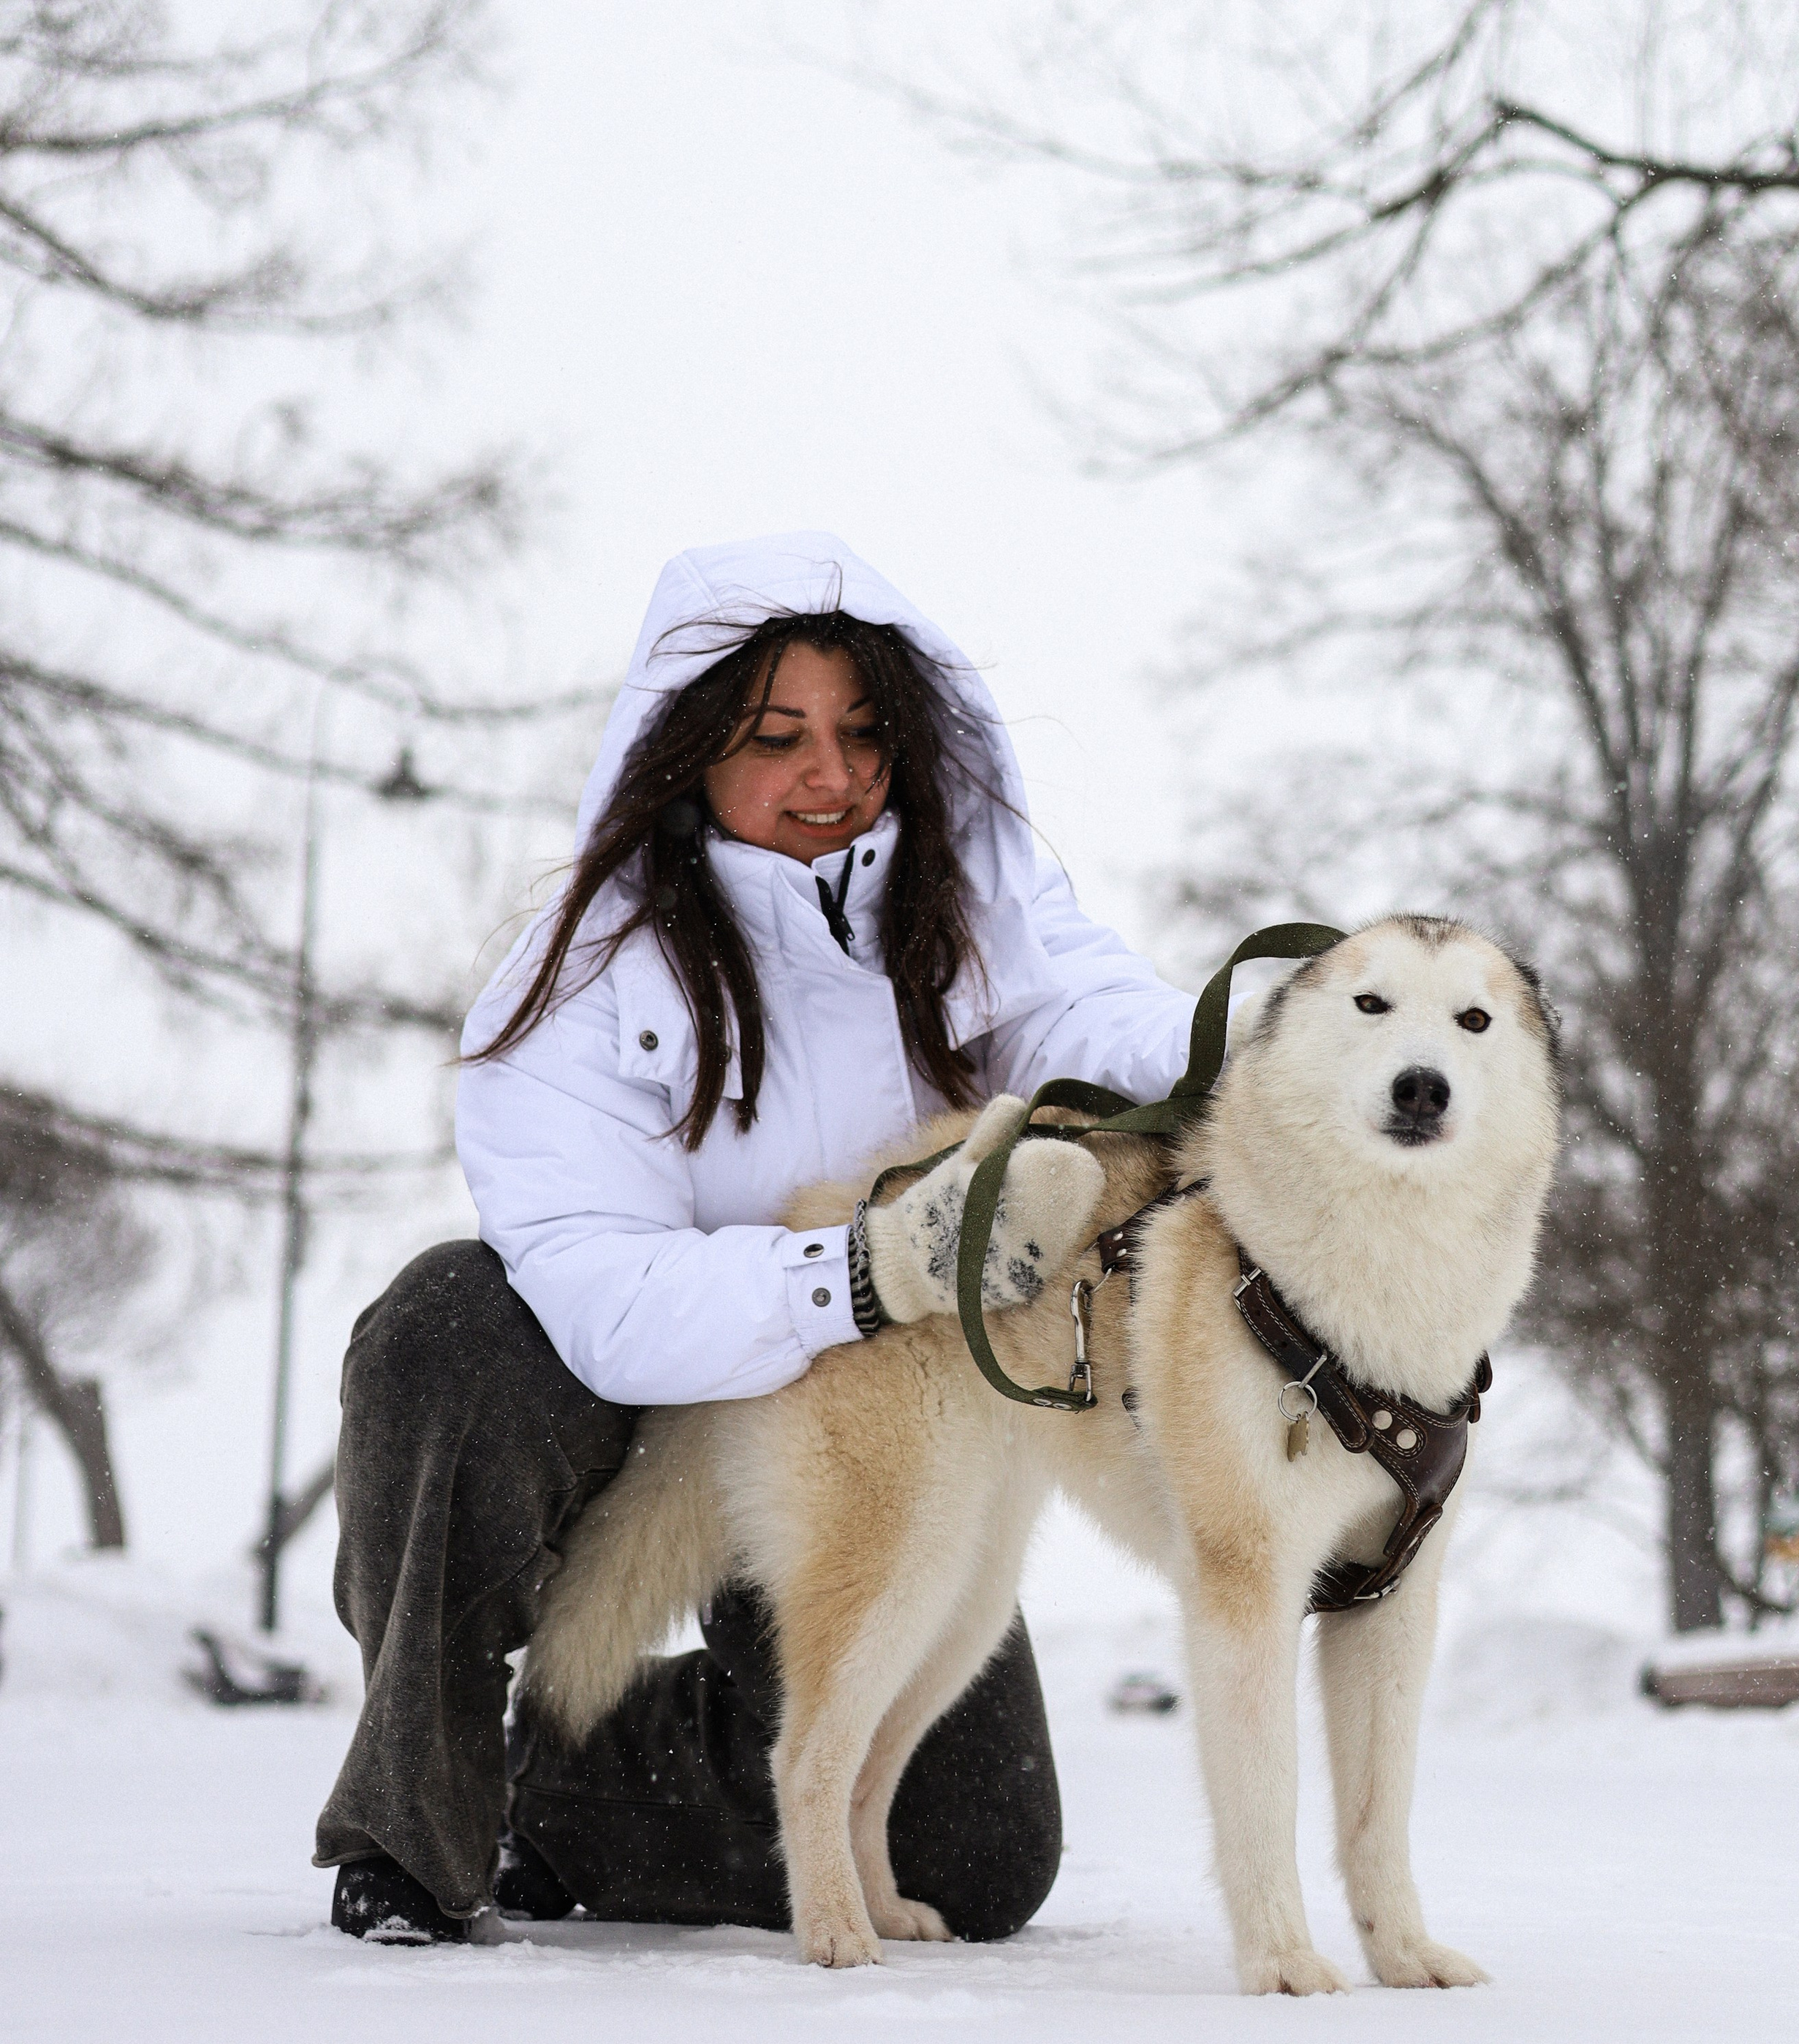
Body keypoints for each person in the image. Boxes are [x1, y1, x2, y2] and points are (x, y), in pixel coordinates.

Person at [315, 533, 1193, 1944]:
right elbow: (597, 1287)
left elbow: (1093, 1019)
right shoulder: (579, 969)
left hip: (861, 1425)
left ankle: (569, 1786)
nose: (831, 775)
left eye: (861, 734)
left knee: (976, 1847)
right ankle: (417, 1810)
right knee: (447, 1325)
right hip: (624, 1406)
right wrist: (857, 1272)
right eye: (776, 736)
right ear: (687, 755)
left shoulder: (965, 917)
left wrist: (1248, 1037)